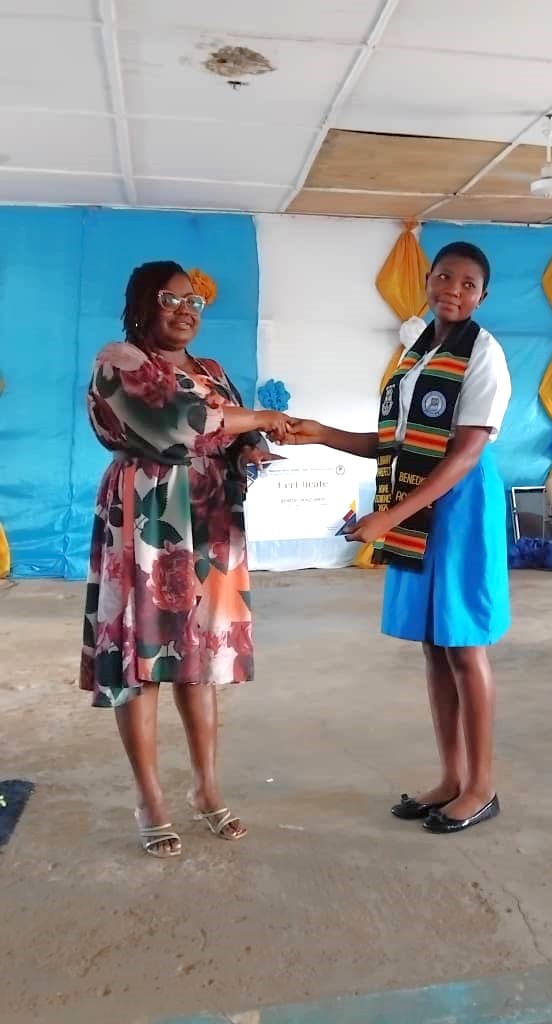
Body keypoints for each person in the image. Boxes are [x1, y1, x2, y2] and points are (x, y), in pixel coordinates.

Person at [285, 242, 511, 834]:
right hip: (419, 497)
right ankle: (452, 777)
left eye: (468, 284)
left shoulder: (484, 354)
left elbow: (464, 454)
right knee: (434, 645)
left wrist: (388, 518)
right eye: (445, 277)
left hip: (460, 504)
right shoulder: (418, 352)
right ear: (428, 280)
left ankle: (482, 787)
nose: (453, 290)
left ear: (482, 296)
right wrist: (322, 433)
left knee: (464, 643)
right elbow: (395, 443)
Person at [80, 261, 289, 858]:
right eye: (169, 299)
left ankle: (206, 790)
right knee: (142, 658)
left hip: (210, 521)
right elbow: (183, 422)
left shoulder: (212, 370)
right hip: (146, 518)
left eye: (193, 302)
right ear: (142, 303)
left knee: (199, 659)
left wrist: (251, 448)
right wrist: (259, 419)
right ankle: (150, 799)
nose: (184, 311)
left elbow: (234, 433)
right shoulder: (121, 360)